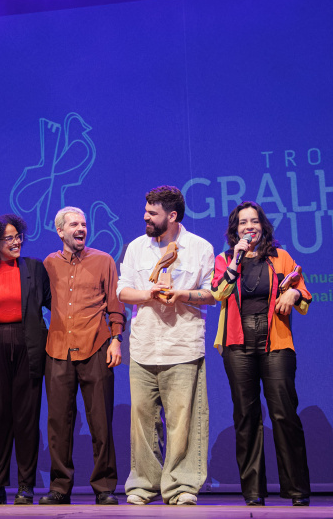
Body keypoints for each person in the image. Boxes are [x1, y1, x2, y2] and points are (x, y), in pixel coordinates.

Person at [116, 185, 215, 505]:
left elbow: (212, 293)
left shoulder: (199, 248)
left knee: (184, 421)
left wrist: (182, 295)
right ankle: (143, 485)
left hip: (183, 346)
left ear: (172, 216)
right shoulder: (136, 248)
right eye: (146, 211)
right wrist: (149, 294)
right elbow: (122, 291)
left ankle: (182, 486)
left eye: (152, 213)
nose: (145, 217)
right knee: (142, 423)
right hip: (144, 346)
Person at [210, 202, 312, 507]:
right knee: (247, 417)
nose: (249, 227)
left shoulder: (279, 256)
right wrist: (235, 261)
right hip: (237, 345)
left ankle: (297, 490)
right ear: (235, 230)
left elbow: (303, 292)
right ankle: (253, 492)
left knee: (284, 414)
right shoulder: (226, 258)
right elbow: (217, 292)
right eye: (243, 223)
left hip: (276, 343)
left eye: (254, 221)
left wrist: (293, 293)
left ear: (263, 226)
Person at [39, 206, 125, 506]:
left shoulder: (103, 260)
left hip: (96, 346)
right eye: (74, 224)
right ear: (60, 230)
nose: (81, 228)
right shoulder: (48, 264)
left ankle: (104, 486)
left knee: (101, 421)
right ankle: (60, 487)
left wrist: (116, 340)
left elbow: (115, 305)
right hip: (58, 350)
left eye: (84, 224)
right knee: (59, 423)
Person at [0, 214, 51, 505]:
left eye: (18, 236)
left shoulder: (33, 267)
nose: (17, 241)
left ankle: (26, 486)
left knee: (27, 420)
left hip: (29, 344)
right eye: (9, 237)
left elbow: (53, 303)